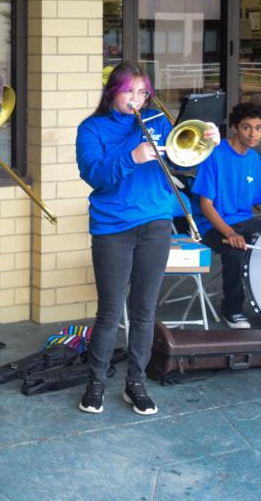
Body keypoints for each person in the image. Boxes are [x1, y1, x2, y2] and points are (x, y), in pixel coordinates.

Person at [75, 63, 220, 415]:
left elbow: (185, 163)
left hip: (155, 221)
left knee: (144, 310)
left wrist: (207, 142)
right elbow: (93, 175)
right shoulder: (91, 128)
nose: (137, 100)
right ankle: (96, 382)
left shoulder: (158, 121)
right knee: (110, 312)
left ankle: (135, 383)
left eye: (143, 93)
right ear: (112, 92)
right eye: (129, 92)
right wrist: (132, 156)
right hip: (112, 226)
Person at [192, 101, 261, 329]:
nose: (253, 133)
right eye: (247, 127)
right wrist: (229, 232)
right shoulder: (214, 155)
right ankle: (233, 309)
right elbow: (205, 205)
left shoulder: (253, 158)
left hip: (244, 220)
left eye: (259, 128)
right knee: (236, 252)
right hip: (211, 225)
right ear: (235, 127)